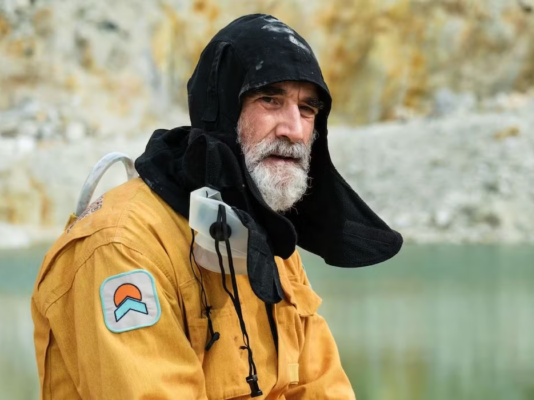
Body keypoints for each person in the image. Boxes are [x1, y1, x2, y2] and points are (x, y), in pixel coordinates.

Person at [31, 14, 402, 399]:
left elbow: (322, 388)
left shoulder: (268, 235)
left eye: (307, 108)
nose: (294, 128)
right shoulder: (122, 247)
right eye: (270, 100)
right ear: (222, 109)